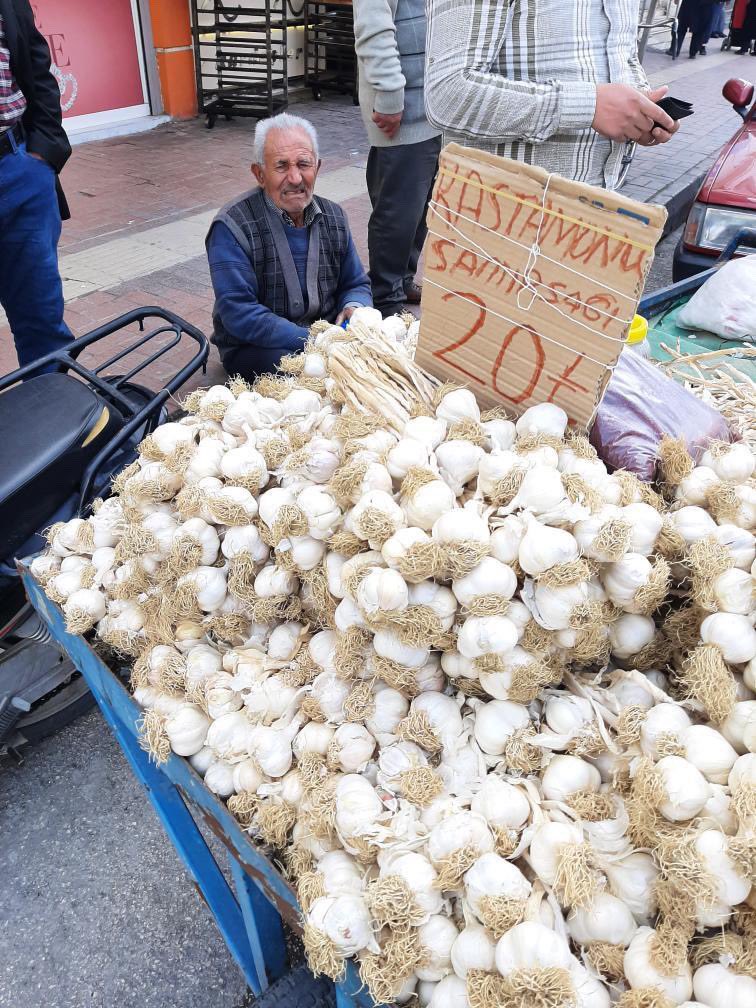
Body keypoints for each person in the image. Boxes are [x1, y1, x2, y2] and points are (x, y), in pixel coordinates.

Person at [423, 0, 680, 191]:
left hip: (599, 212)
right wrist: (587, 106)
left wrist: (640, 114)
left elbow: (622, 55)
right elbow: (447, 92)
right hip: (501, 223)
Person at [206, 113, 372, 381]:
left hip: (328, 338)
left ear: (317, 167)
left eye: (303, 164)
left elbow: (355, 283)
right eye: (281, 166)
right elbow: (240, 313)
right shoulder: (232, 226)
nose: (295, 178)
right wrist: (313, 340)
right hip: (260, 346)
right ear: (259, 174)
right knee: (313, 376)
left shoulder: (335, 216)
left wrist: (355, 308)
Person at [353, 0, 441, 316]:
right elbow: (373, 27)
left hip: (428, 107)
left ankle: (401, 279)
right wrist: (390, 97)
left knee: (419, 208)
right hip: (404, 112)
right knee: (398, 211)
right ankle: (385, 294)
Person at [0, 0, 72, 370]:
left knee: (41, 321)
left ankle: (56, 417)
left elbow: (35, 61)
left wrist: (44, 149)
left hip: (18, 170)